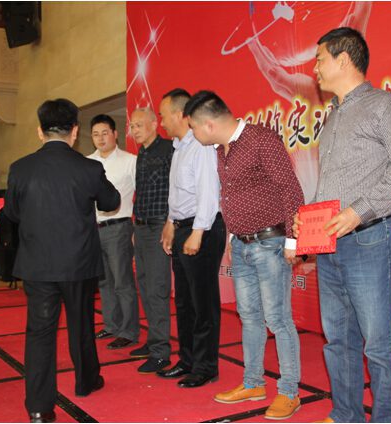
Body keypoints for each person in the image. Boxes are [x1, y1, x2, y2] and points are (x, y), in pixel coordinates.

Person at [294, 27, 391, 423]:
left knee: (378, 346)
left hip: (371, 239)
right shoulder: (333, 117)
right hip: (331, 244)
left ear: (344, 60)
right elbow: (335, 183)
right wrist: (309, 217)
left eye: (319, 59)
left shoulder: (384, 106)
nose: (315, 68)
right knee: (337, 341)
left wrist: (357, 212)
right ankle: (345, 414)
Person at [185, 90, 305, 420]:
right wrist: (232, 237)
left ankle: (289, 392)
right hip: (241, 245)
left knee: (278, 319)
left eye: (193, 128)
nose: (193, 134)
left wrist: (293, 240)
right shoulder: (221, 150)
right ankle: (253, 383)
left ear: (209, 124)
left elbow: (290, 188)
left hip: (270, 242)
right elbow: (233, 195)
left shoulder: (260, 139)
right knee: (249, 316)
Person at [3, 99, 120, 423]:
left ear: (40, 131)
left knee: (39, 333)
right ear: (75, 131)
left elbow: (11, 212)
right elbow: (111, 201)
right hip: (78, 262)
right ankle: (86, 381)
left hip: (37, 263)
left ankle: (39, 408)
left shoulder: (21, 168)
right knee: (81, 324)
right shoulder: (88, 167)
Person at [157, 89, 226, 388]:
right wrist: (171, 223)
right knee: (184, 301)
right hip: (183, 227)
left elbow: (208, 193)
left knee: (202, 302)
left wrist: (197, 233)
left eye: (163, 116)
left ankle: (205, 366)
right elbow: (180, 196)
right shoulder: (179, 147)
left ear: (178, 114)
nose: (161, 123)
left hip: (203, 228)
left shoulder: (200, 146)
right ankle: (187, 360)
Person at [87, 114, 140, 350]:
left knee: (122, 282)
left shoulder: (130, 161)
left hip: (119, 228)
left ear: (115, 134)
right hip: (93, 229)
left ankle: (128, 331)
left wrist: (137, 228)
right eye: (95, 134)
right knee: (104, 282)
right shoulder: (87, 163)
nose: (100, 138)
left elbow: (141, 197)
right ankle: (111, 325)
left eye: (105, 133)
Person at [129, 107, 174, 374]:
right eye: (132, 126)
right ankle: (153, 340)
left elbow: (176, 190)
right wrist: (136, 226)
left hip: (160, 226)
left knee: (157, 288)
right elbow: (141, 194)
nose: (134, 130)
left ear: (154, 124)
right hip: (142, 226)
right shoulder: (142, 154)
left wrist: (170, 223)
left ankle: (161, 352)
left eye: (138, 125)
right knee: (144, 285)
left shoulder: (169, 150)